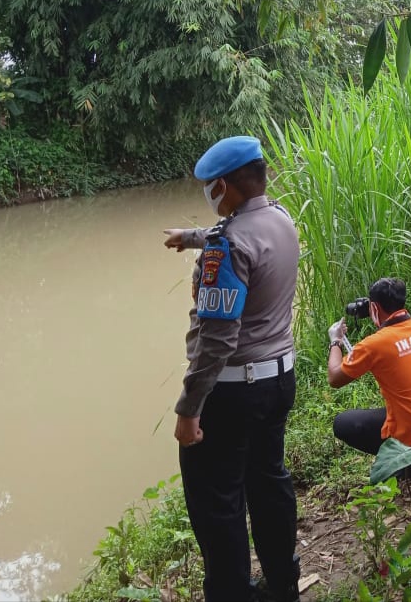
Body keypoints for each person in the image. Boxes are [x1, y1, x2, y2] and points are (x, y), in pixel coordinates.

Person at [162, 136, 301, 602]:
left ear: (223, 186)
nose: (209, 195)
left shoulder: (225, 249)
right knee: (269, 483)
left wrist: (188, 409)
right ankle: (284, 584)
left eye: (210, 187)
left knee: (217, 503)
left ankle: (230, 593)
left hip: (232, 394)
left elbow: (216, 340)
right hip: (279, 380)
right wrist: (192, 238)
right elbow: (241, 234)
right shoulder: (281, 219)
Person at [326, 277, 411, 485]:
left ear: (374, 307)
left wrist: (335, 341)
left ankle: (405, 462)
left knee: (343, 423)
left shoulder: (374, 345)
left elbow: (334, 377)